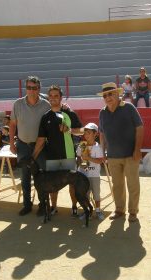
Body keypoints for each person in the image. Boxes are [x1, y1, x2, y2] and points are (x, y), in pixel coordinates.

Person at [32, 85, 84, 216]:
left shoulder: (69, 113)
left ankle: (74, 207)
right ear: (48, 98)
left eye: (56, 96)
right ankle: (53, 207)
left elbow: (81, 131)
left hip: (68, 155)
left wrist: (70, 130)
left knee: (72, 184)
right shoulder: (45, 117)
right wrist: (33, 157)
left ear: (61, 98)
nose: (53, 98)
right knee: (51, 185)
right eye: (51, 96)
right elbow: (41, 139)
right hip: (52, 157)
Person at [98, 82, 144, 222]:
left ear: (118, 94)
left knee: (132, 184)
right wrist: (102, 151)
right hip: (112, 156)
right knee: (117, 185)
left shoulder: (129, 108)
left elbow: (140, 128)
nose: (107, 97)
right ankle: (119, 209)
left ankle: (133, 212)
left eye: (110, 94)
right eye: (105, 95)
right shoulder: (102, 112)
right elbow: (101, 133)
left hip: (131, 155)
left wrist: (137, 150)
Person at [10, 76, 52, 216]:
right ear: (25, 88)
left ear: (39, 89)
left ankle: (43, 205)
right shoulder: (17, 104)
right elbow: (13, 124)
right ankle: (27, 205)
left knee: (41, 178)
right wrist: (11, 143)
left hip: (40, 147)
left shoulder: (46, 105)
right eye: (28, 87)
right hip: (22, 145)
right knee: (25, 177)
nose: (31, 90)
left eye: (34, 88)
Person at [77, 122, 105, 220]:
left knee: (96, 194)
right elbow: (79, 158)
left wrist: (88, 158)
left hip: (95, 176)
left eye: (89, 132)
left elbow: (99, 161)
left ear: (95, 134)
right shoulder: (82, 145)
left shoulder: (98, 147)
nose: (86, 135)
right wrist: (82, 164)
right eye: (85, 133)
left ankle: (98, 211)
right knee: (85, 195)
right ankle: (87, 212)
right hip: (84, 176)